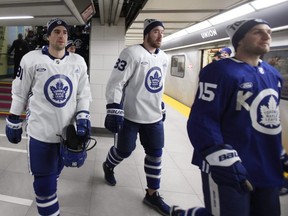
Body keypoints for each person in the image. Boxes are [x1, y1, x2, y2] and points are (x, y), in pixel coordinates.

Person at [171, 18, 288, 216]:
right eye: (258, 32)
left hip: (266, 164)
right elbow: (203, 119)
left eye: (268, 31)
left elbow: (270, 120)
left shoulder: (273, 75)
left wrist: (280, 154)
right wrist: (218, 155)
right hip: (228, 164)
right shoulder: (219, 71)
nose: (267, 36)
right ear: (240, 40)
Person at [5, 18, 91, 216]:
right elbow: (19, 92)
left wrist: (83, 116)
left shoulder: (78, 62)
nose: (61, 35)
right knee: (44, 189)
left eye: (65, 32)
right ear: (48, 36)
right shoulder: (31, 59)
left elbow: (83, 93)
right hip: (40, 133)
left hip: (66, 134)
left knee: (54, 177)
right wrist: (13, 117)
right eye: (57, 32)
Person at [102, 19, 170, 216]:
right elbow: (116, 82)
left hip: (154, 117)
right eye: (156, 31)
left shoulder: (164, 57)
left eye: (162, 32)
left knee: (155, 153)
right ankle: (108, 165)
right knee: (124, 150)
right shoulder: (131, 53)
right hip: (131, 115)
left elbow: (159, 86)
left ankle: (152, 193)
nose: (160, 35)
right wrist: (113, 107)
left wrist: (161, 105)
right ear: (147, 33)